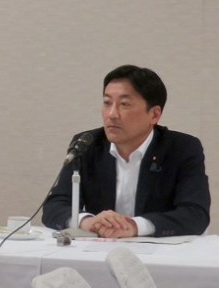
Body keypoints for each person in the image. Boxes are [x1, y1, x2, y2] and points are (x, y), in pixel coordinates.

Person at [42, 65, 210, 238]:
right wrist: (87, 222)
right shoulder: (86, 144)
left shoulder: (182, 149)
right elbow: (54, 206)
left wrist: (134, 226)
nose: (112, 114)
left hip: (159, 251)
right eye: (107, 103)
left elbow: (195, 214)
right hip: (99, 248)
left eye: (124, 104)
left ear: (154, 115)